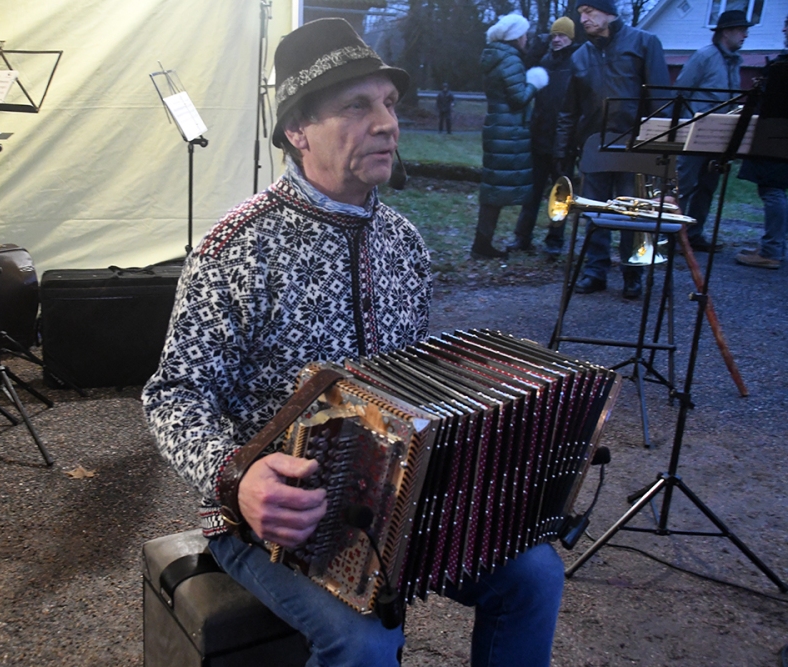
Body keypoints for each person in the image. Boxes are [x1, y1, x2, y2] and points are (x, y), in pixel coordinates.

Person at [143, 18, 565, 667]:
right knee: (366, 640)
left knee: (535, 575)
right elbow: (174, 394)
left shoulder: (405, 243)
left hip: (396, 503)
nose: (387, 123)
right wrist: (237, 478)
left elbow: (416, 389)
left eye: (389, 103)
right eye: (357, 106)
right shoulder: (237, 249)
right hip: (269, 519)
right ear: (298, 129)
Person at [554, 0, 671, 299]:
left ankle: (633, 272)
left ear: (609, 12)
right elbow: (569, 109)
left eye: (590, 12)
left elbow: (660, 99)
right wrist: (563, 150)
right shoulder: (580, 55)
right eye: (581, 14)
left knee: (633, 212)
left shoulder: (644, 43)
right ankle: (595, 271)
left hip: (635, 144)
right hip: (594, 144)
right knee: (595, 212)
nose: (584, 19)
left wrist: (661, 148)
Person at [674, 9, 753, 252]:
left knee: (708, 186)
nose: (745, 35)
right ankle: (673, 235)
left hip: (720, 136)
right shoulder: (704, 56)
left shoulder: (735, 61)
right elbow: (681, 90)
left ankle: (694, 234)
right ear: (726, 32)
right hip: (696, 133)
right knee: (684, 185)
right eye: (741, 30)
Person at [472, 13, 548, 260]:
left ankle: (482, 243)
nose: (526, 39)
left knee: (493, 188)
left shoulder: (494, 56)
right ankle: (482, 246)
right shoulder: (511, 60)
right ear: (516, 37)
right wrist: (534, 83)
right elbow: (518, 99)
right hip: (509, 130)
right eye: (524, 34)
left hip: (497, 127)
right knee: (495, 191)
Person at [507, 17, 579, 257]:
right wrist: (537, 47)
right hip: (539, 137)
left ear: (571, 38)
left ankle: (554, 241)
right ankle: (522, 237)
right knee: (532, 193)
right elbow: (524, 70)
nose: (557, 40)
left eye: (562, 36)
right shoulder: (544, 60)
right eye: (554, 35)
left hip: (565, 141)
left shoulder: (578, 62)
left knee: (561, 195)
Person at [734, 14, 788, 270]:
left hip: (777, 134)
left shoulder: (783, 67)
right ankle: (774, 246)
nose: (784, 30)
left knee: (772, 189)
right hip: (778, 133)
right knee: (774, 190)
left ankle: (771, 251)